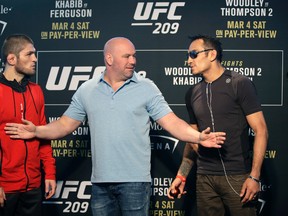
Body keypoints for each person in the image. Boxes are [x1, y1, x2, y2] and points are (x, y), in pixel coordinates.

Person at [4, 37, 225, 216]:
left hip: (135, 183)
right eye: (127, 56)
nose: (133, 60)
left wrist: (198, 138)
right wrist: (36, 131)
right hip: (100, 184)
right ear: (109, 58)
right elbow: (63, 125)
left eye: (134, 55)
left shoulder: (146, 87)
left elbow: (172, 122)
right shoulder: (87, 90)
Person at [167, 35, 268, 216]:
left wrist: (254, 176)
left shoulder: (240, 84)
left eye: (194, 54)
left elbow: (261, 130)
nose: (188, 60)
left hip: (238, 177)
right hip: (204, 178)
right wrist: (181, 176)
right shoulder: (192, 93)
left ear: (212, 54)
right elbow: (192, 137)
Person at [0, 34, 56, 215]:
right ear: (11, 58)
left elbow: (43, 134)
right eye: (29, 54)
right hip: (5, 188)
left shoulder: (36, 91)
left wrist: (49, 173)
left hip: (33, 186)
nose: (35, 59)